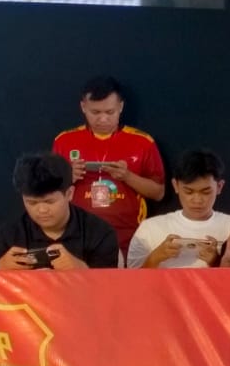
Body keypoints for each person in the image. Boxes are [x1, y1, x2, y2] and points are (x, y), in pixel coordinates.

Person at [52, 75, 165, 255]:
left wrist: (128, 176)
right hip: (76, 236)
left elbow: (158, 193)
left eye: (110, 112)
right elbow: (47, 192)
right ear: (83, 107)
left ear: (121, 107)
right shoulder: (64, 141)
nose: (103, 119)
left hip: (129, 237)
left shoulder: (142, 142)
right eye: (95, 112)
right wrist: (68, 177)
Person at [0, 153, 120, 270]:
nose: (42, 210)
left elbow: (109, 285)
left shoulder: (100, 233)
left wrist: (83, 271)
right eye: (32, 203)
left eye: (49, 202)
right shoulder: (7, 235)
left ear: (69, 194)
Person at [126, 149, 230, 269]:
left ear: (219, 187)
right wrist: (155, 258)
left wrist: (217, 262)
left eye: (206, 192)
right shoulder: (150, 229)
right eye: (188, 192)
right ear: (176, 185)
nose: (197, 200)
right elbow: (130, 278)